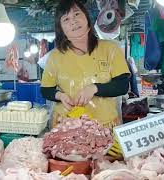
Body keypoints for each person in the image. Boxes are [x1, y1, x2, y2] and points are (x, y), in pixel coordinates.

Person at [41, 0, 130, 128]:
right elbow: (45, 90)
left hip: (105, 126)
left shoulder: (110, 49)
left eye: (77, 14)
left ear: (86, 17)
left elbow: (122, 86)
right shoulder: (55, 56)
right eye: (66, 19)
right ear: (61, 29)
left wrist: (94, 88)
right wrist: (60, 95)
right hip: (66, 126)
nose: (73, 21)